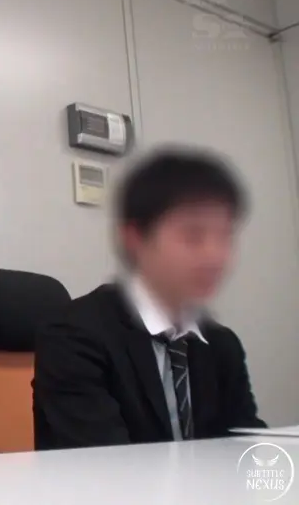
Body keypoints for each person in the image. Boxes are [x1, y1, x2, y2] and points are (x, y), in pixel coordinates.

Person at [33, 146, 265, 451]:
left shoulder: (222, 345)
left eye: (225, 236)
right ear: (136, 239)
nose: (215, 256)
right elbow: (104, 466)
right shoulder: (74, 337)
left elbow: (248, 448)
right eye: (193, 235)